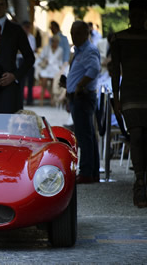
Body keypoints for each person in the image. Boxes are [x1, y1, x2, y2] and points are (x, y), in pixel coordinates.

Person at [110, 0, 147, 208]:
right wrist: (116, 97)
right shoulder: (119, 39)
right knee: (136, 135)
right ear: (130, 16)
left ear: (145, 17)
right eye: (135, 15)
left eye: (142, 16)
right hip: (130, 92)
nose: (138, 19)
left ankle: (141, 181)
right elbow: (115, 70)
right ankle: (139, 182)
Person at [60, 20, 101, 184]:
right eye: (72, 33)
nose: (73, 36)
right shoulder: (79, 50)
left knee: (84, 136)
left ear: (86, 33)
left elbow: (94, 69)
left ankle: (86, 172)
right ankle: (92, 171)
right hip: (78, 96)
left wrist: (79, 85)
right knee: (87, 135)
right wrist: (68, 85)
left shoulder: (89, 50)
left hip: (83, 96)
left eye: (77, 33)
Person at [34, 34, 63, 106]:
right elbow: (41, 57)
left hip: (54, 69)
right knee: (44, 84)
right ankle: (41, 101)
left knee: (53, 86)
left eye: (56, 42)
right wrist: (44, 60)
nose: (55, 43)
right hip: (46, 69)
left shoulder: (60, 50)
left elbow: (60, 61)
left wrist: (61, 68)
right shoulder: (46, 48)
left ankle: (52, 101)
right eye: (54, 42)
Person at [19, 21, 36, 106]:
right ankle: (20, 99)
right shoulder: (19, 37)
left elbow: (32, 49)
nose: (27, 29)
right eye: (25, 27)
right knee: (21, 81)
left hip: (29, 60)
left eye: (28, 27)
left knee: (30, 81)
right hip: (21, 59)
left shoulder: (32, 38)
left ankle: (29, 100)